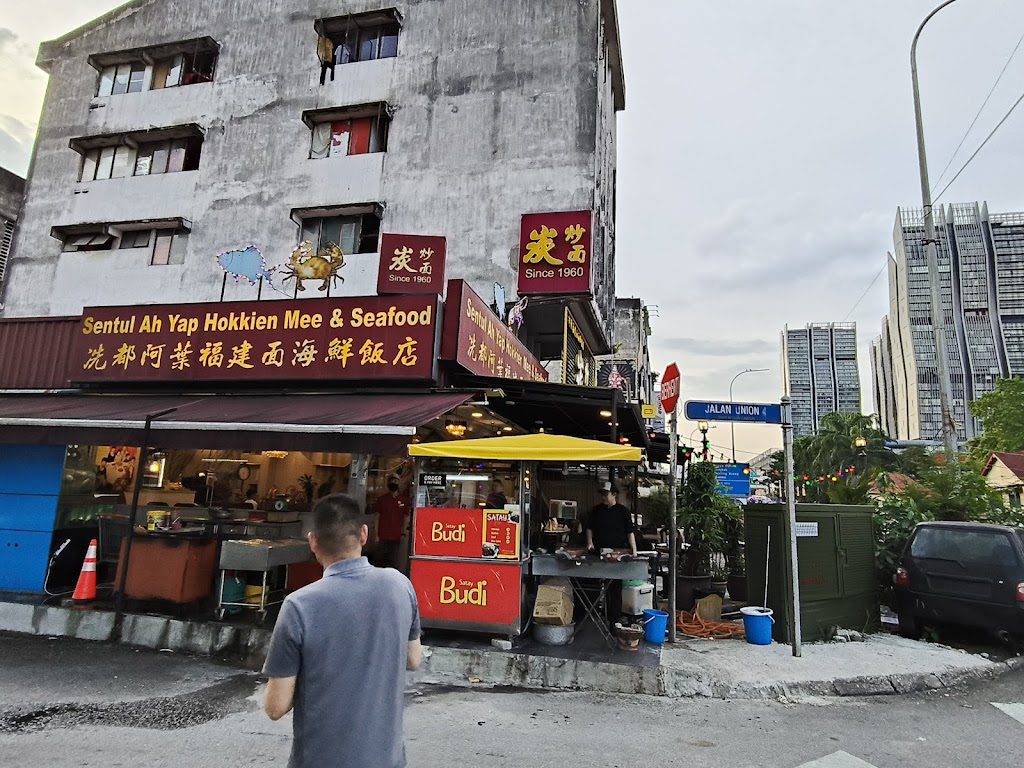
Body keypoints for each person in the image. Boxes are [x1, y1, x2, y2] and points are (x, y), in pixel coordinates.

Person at [263, 493, 423, 768]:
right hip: (387, 760)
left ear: (313, 541)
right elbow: (413, 659)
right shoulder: (400, 585)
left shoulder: (299, 606)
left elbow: (275, 707)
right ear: (364, 534)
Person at [585, 481, 638, 625]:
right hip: (599, 553)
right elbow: (589, 528)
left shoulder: (623, 511)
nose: (603, 497)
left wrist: (634, 550)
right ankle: (593, 614)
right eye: (602, 494)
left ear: (614, 494)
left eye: (606, 494)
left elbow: (630, 532)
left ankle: (614, 619)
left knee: (615, 587)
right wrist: (590, 542)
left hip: (617, 555)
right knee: (594, 583)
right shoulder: (596, 511)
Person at [375, 478, 410, 571]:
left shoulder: (403, 500)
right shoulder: (382, 499)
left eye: (395, 482)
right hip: (383, 535)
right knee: (381, 560)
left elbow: (405, 517)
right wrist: (376, 534)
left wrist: (403, 532)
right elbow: (377, 517)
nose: (393, 484)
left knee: (394, 560)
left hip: (396, 535)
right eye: (391, 482)